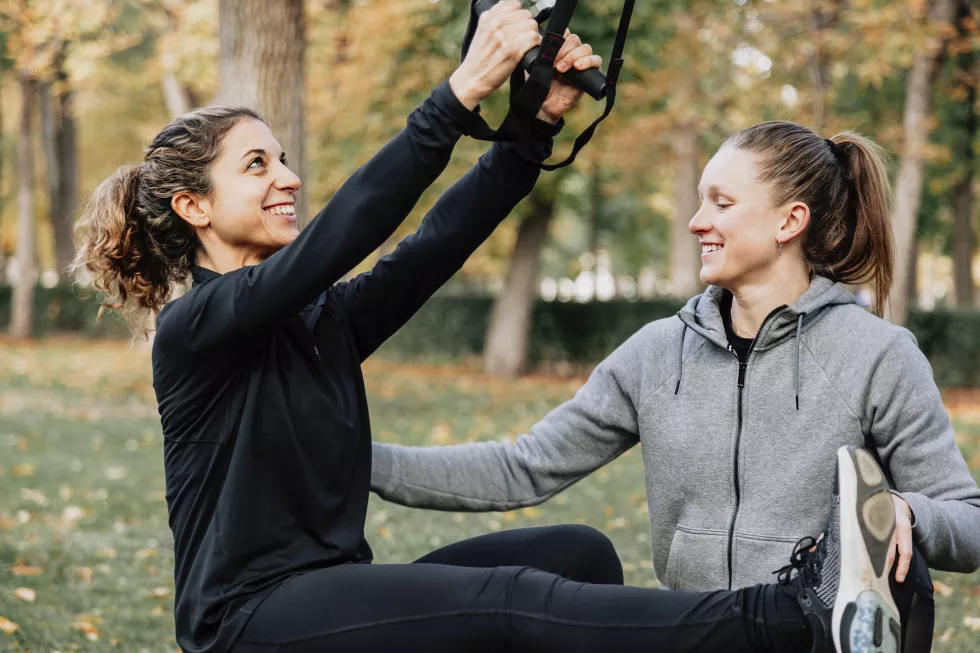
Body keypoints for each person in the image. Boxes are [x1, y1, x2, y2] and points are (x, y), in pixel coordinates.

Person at [70, 1, 922, 650]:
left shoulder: (316, 321)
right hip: (248, 617)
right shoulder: (197, 327)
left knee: (577, 552)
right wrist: (459, 92)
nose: (285, 176)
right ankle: (792, 622)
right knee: (507, 599)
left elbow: (427, 250)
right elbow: (341, 238)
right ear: (193, 206)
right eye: (256, 165)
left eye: (283, 157)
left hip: (330, 589)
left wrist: (531, 127)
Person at [371, 122, 980, 650]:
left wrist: (901, 513)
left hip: (806, 635)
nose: (696, 222)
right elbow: (523, 467)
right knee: (563, 562)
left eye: (720, 203)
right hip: (687, 632)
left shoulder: (875, 354)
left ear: (790, 221)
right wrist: (349, 460)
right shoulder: (659, 351)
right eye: (699, 202)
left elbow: (968, 522)